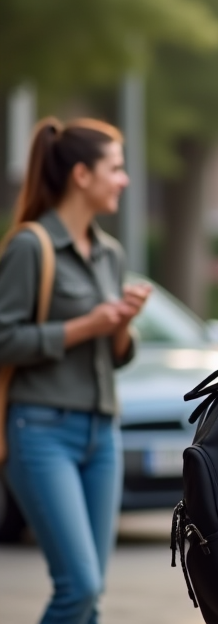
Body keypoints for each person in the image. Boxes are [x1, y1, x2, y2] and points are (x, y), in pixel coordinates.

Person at [0, 118, 152, 624]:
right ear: (82, 176)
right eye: (116, 168)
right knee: (79, 585)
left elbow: (117, 355)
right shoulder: (31, 246)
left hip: (101, 432)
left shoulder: (110, 254)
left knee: (92, 591)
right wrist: (85, 326)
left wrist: (120, 325)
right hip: (40, 430)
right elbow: (4, 339)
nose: (125, 180)